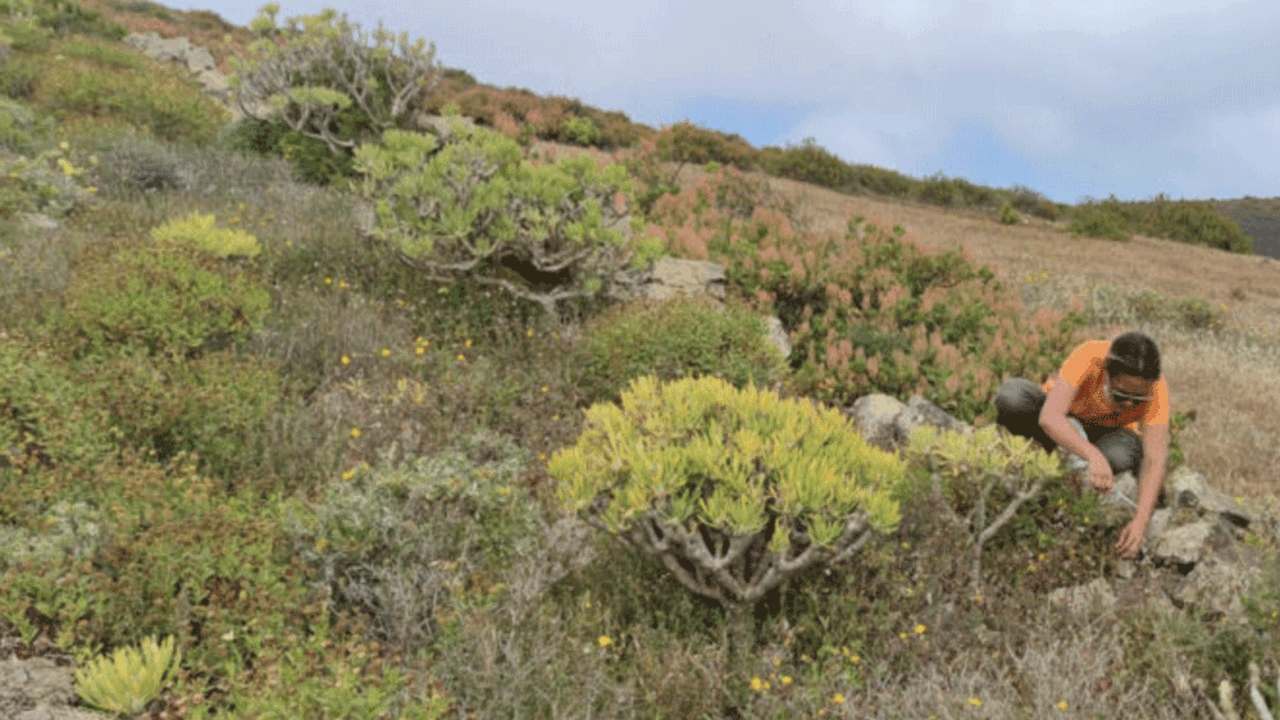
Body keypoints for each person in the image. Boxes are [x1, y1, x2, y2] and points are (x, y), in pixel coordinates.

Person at [994, 330, 1170, 558]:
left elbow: (1155, 459)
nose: (1129, 404)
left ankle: (1071, 462)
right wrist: (1092, 456)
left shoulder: (1156, 388)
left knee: (1121, 456)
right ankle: (1054, 453)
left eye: (1138, 400)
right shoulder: (1089, 355)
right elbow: (1050, 416)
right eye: (1121, 395)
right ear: (1108, 374)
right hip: (1061, 421)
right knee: (1013, 396)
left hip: (1109, 435)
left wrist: (1140, 522)